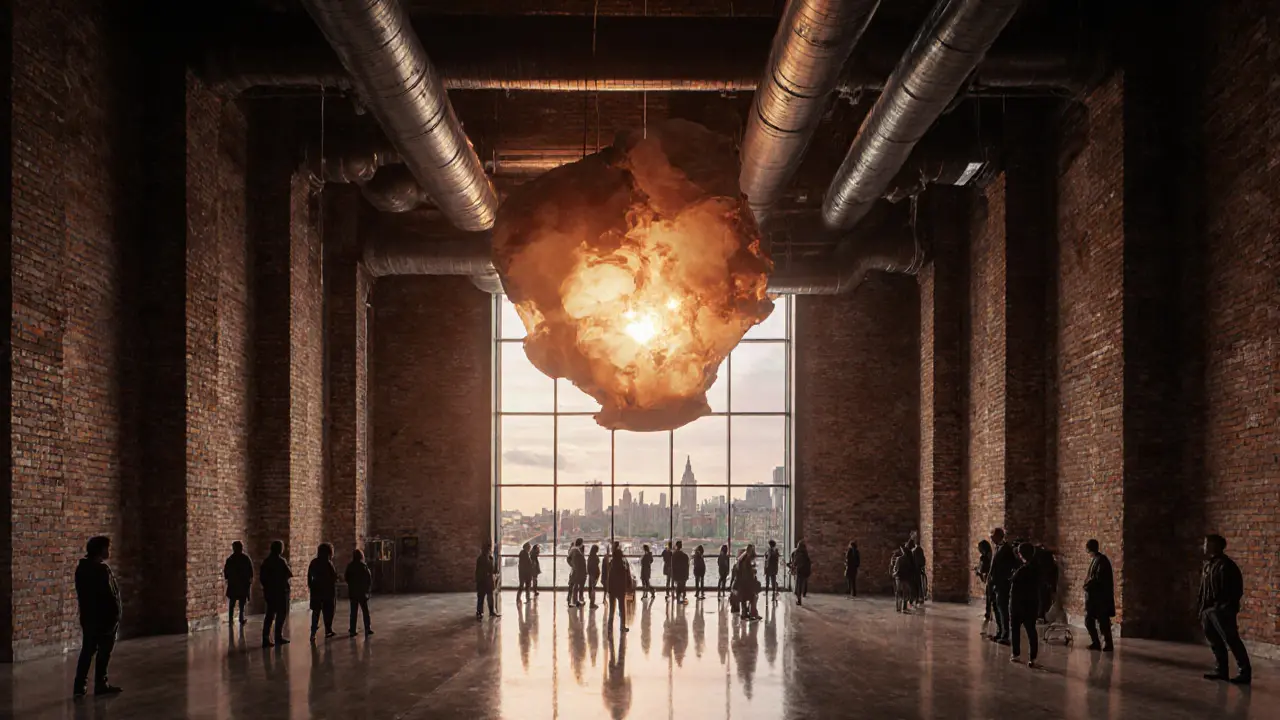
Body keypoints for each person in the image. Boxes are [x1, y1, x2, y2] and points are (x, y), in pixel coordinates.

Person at [73, 536, 122, 697]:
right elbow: (109, 596)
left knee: (87, 650)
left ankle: (80, 685)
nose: (109, 551)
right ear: (100, 550)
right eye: (107, 548)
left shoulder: (82, 569)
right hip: (105, 619)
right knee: (103, 652)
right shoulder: (101, 570)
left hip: (89, 618)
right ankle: (101, 683)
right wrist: (115, 615)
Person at [1198, 534, 1250, 684]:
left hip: (1221, 611)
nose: (1204, 546)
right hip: (1208, 610)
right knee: (1214, 641)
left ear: (1215, 545)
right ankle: (1221, 670)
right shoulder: (1208, 565)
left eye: (1207, 543)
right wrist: (1201, 609)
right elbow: (1203, 589)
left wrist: (1224, 607)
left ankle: (1245, 672)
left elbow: (1235, 589)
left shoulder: (1226, 565)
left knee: (1232, 640)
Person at [1008, 543, 1040, 667]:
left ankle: (1016, 654)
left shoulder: (1022, 570)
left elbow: (1013, 583)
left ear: (1021, 554)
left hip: (1018, 604)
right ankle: (1033, 657)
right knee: (1031, 630)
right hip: (1031, 604)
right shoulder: (1037, 568)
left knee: (1015, 629)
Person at [259, 540, 293, 647]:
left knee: (269, 615)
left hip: (270, 591)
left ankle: (265, 638)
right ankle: (278, 636)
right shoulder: (281, 561)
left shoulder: (266, 561)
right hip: (281, 591)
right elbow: (289, 573)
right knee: (281, 615)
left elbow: (262, 577)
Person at [1082, 539, 1114, 651]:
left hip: (1100, 598)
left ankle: (1107, 643)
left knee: (1103, 621)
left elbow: (1097, 579)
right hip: (1094, 597)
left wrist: (1087, 585)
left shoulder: (1101, 561)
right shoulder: (1097, 560)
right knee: (1091, 620)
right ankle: (1096, 642)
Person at [987, 528, 1017, 644]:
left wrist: (1005, 578)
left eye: (992, 536)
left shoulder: (1007, 549)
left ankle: (1005, 635)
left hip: (1002, 584)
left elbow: (1011, 565)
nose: (991, 538)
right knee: (996, 608)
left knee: (1002, 609)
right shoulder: (997, 548)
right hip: (995, 583)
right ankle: (999, 632)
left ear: (999, 536)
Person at [307, 543, 338, 642]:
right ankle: (328, 630)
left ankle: (313, 633)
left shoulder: (314, 562)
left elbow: (309, 576)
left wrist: (311, 586)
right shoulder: (328, 563)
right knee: (328, 612)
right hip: (328, 591)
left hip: (316, 590)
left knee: (316, 612)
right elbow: (333, 577)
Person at [344, 548, 374, 636]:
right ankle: (367, 628)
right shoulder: (363, 566)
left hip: (353, 591)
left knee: (353, 612)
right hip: (362, 592)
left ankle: (352, 630)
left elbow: (346, 577)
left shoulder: (350, 566)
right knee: (365, 611)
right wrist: (367, 590)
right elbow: (368, 579)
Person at [223, 541, 253, 627]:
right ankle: (240, 619)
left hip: (233, 584)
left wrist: (229, 579)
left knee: (232, 603)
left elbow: (226, 572)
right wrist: (249, 581)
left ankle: (231, 619)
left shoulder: (231, 559)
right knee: (241, 604)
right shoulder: (245, 558)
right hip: (243, 584)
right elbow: (250, 571)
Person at [606, 545, 630, 634]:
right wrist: (627, 588)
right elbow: (625, 579)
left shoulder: (611, 565)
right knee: (622, 609)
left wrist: (608, 590)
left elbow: (609, 578)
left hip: (612, 589)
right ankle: (622, 626)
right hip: (620, 590)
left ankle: (609, 626)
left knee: (611, 609)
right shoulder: (623, 566)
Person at [735, 544, 761, 620]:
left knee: (744, 598)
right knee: (753, 596)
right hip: (747, 581)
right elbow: (747, 570)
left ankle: (745, 613)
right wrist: (753, 570)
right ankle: (752, 613)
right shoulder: (747, 558)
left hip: (742, 581)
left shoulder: (742, 557)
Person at [475, 544, 500, 619]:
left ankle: (491, 611)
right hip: (482, 581)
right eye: (488, 550)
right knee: (481, 597)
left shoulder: (490, 558)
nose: (489, 551)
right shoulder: (480, 559)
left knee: (490, 597)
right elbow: (479, 571)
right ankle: (479, 612)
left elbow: (492, 569)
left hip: (488, 581)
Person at [975, 539, 993, 630]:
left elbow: (982, 569)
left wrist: (978, 571)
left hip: (989, 579)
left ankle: (988, 613)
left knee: (989, 597)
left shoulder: (984, 557)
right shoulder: (991, 555)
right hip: (991, 579)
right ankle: (990, 613)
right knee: (990, 597)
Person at [790, 540, 811, 606]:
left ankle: (799, 600)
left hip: (799, 571)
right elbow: (809, 562)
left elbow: (795, 562)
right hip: (805, 571)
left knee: (798, 586)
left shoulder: (796, 553)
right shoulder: (805, 553)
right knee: (803, 583)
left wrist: (793, 567)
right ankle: (803, 593)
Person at [911, 535, 927, 605]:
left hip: (915, 570)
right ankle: (920, 597)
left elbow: (912, 560)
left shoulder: (914, 551)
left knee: (915, 584)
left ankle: (916, 598)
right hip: (919, 569)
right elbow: (923, 560)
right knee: (920, 584)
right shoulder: (920, 550)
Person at [587, 544, 602, 608]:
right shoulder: (596, 557)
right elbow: (597, 564)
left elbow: (588, 566)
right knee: (593, 589)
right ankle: (592, 603)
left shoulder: (590, 557)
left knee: (590, 588)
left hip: (591, 574)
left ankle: (591, 601)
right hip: (595, 574)